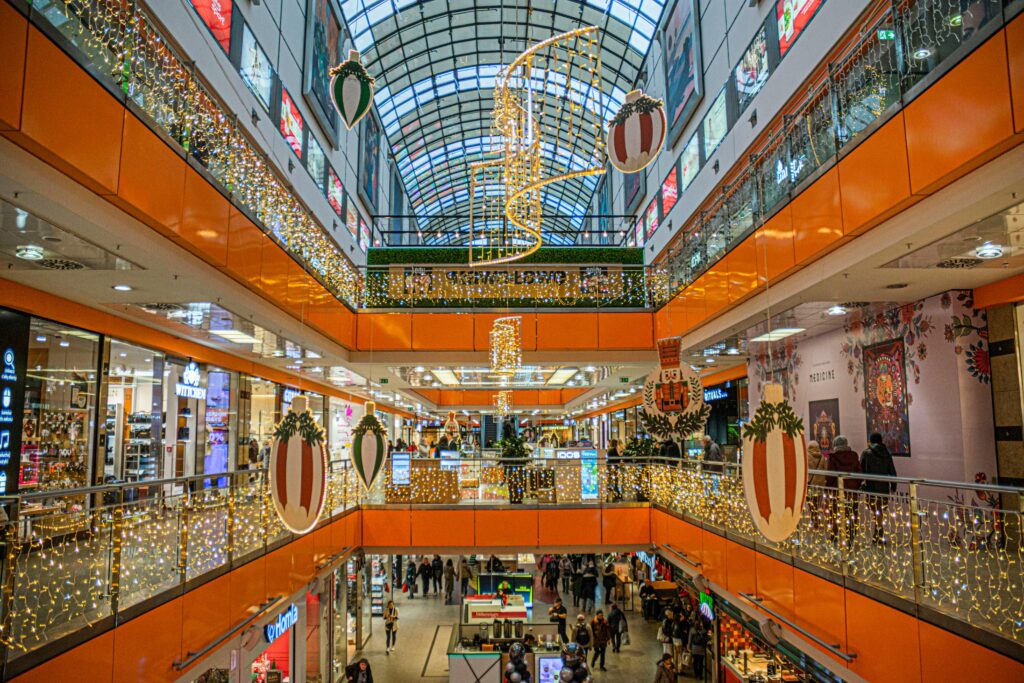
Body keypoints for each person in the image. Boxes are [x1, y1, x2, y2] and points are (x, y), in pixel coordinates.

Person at [860, 432, 898, 543]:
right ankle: (879, 532)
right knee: (880, 511)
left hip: (871, 487)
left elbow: (861, 469)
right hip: (884, 488)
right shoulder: (887, 453)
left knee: (875, 511)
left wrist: (860, 484)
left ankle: (878, 533)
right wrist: (893, 486)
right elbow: (892, 471)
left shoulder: (866, 453)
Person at [825, 435, 862, 546]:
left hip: (837, 491)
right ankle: (850, 536)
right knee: (851, 514)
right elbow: (859, 473)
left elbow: (830, 476)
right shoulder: (854, 456)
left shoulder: (833, 458)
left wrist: (828, 488)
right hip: (852, 492)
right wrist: (856, 485)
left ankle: (834, 536)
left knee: (835, 514)